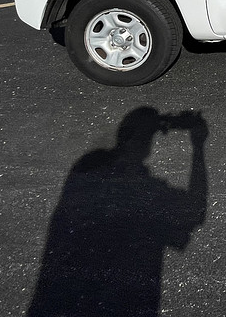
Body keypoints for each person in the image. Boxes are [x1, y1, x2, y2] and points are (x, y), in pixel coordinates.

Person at [26, 107, 208, 317]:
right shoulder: (146, 192)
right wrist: (198, 146)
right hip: (124, 303)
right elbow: (195, 211)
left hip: (60, 302)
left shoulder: (87, 171)